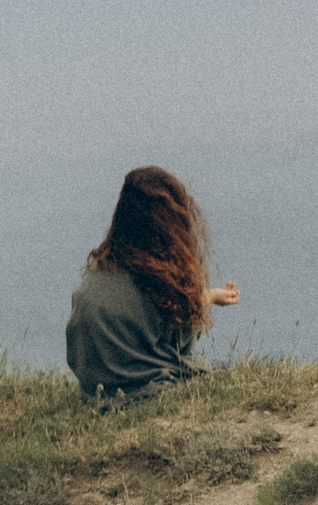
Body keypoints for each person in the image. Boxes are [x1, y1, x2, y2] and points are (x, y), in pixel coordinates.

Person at [66, 165, 240, 398]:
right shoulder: (155, 279)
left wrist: (211, 295)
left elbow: (149, 307)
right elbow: (179, 337)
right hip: (139, 390)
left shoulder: (103, 267)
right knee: (223, 374)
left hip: (93, 391)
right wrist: (202, 299)